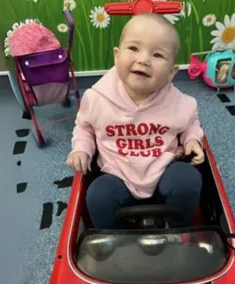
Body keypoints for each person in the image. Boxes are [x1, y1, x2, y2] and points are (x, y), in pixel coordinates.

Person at [66, 13, 205, 229]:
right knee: (98, 195)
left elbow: (190, 123)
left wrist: (192, 140)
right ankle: (111, 238)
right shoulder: (96, 99)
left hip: (163, 170)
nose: (143, 60)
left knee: (188, 180)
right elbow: (84, 129)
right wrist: (81, 150)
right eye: (133, 49)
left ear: (171, 73)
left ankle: (180, 230)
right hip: (117, 173)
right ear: (116, 55)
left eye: (157, 55)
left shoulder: (180, 103)